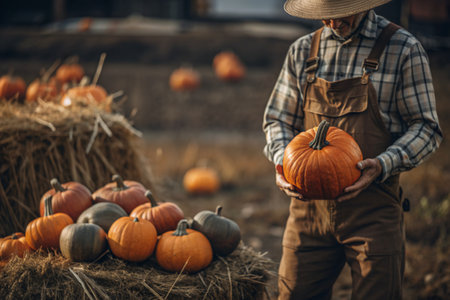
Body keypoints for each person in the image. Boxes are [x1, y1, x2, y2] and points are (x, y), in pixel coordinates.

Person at [262, 0, 443, 299]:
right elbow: (278, 119)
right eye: (324, 16)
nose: (332, 23)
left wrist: (384, 164)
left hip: (373, 211)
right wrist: (284, 162)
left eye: (339, 13)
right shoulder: (302, 51)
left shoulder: (402, 49)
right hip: (308, 214)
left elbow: (426, 127)